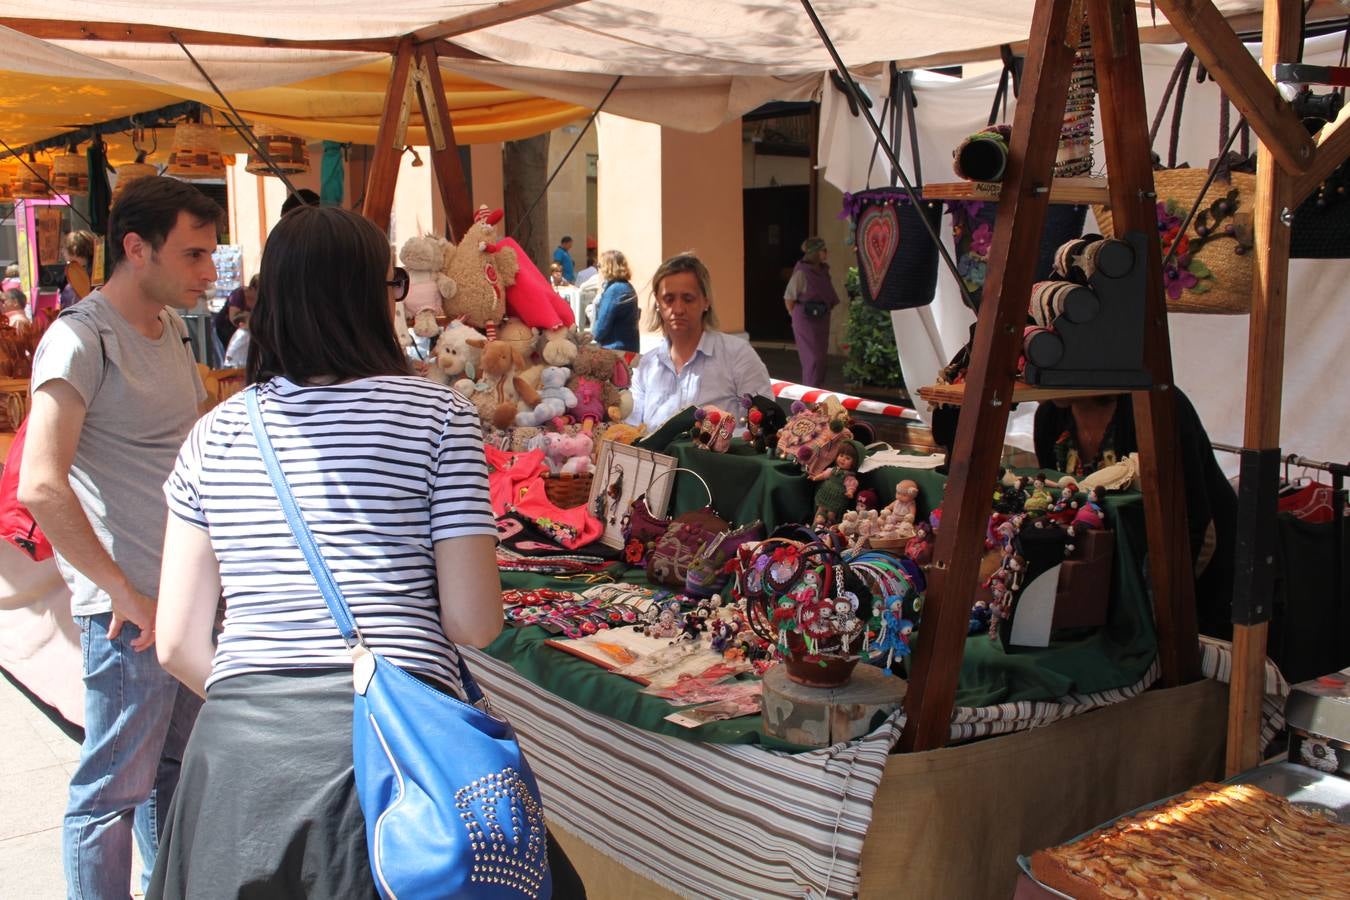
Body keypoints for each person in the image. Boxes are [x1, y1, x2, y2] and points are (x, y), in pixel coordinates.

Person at [148, 205, 584, 898]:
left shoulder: (215, 433)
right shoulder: (436, 415)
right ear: (370, 296)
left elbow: (175, 643)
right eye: (396, 283)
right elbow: (473, 621)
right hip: (384, 767)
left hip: (233, 767)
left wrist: (274, 691)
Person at [19, 176, 219, 899]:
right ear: (137, 248)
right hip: (130, 610)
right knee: (111, 793)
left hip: (182, 598)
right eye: (194, 254)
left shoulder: (171, 329)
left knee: (174, 773)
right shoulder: (81, 337)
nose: (208, 273)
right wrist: (119, 592)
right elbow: (40, 483)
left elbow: (190, 447)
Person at [1032, 390, 1237, 639]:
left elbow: (1195, 522)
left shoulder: (1156, 404)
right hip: (1110, 582)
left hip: (1201, 581)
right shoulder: (1050, 417)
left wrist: (1154, 609)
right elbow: (1058, 509)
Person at [627, 252, 773, 430]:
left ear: (706, 301)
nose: (678, 309)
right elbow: (631, 429)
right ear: (658, 303)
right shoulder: (647, 365)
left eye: (688, 299)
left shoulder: (737, 355)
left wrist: (716, 441)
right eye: (669, 299)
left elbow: (762, 425)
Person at [783, 237, 840, 389]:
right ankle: (810, 393)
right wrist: (794, 315)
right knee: (812, 359)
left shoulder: (823, 271)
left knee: (821, 358)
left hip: (821, 318)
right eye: (823, 250)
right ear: (815, 252)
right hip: (805, 319)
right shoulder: (802, 272)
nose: (826, 253)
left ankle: (818, 390)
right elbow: (789, 297)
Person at [590, 249, 639, 352]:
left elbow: (602, 327)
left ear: (608, 266)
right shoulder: (627, 286)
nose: (599, 268)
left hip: (614, 348)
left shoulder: (614, 290)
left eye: (600, 265)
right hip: (628, 346)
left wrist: (590, 339)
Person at [211, 273, 258, 352]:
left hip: (245, 330)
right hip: (226, 328)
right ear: (253, 288)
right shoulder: (239, 294)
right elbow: (233, 318)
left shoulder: (260, 299)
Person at [60, 230, 98, 309]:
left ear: (74, 249)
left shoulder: (82, 273)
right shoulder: (95, 269)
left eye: (64, 247)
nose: (62, 252)